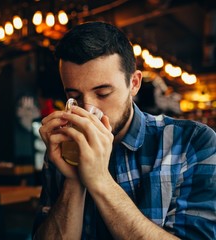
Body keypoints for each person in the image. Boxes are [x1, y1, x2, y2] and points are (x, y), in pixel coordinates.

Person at [32, 21, 216, 240]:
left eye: (102, 93)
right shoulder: (65, 146)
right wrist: (74, 179)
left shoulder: (192, 142)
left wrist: (99, 179)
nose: (89, 109)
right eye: (75, 96)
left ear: (134, 83)